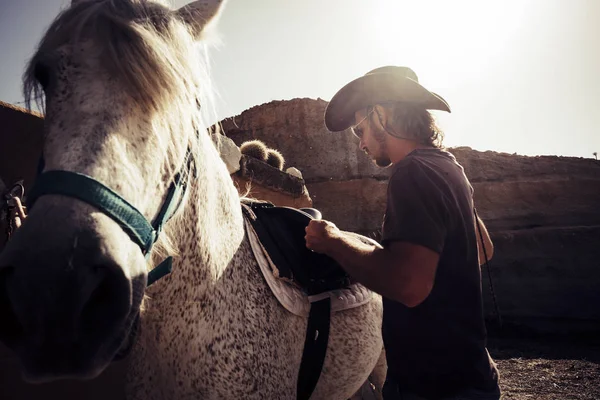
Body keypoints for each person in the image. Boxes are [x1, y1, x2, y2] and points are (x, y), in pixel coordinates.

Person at [305, 66, 500, 400]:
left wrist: (333, 241)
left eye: (360, 129)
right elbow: (483, 251)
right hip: (473, 375)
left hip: (433, 388)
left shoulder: (412, 172)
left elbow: (408, 286)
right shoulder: (448, 166)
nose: (360, 143)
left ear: (383, 113)